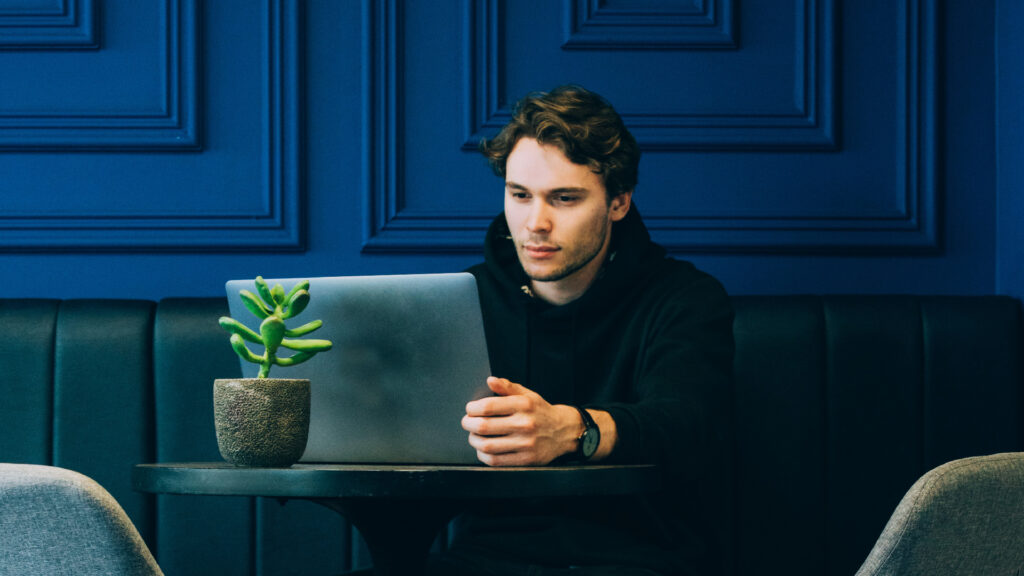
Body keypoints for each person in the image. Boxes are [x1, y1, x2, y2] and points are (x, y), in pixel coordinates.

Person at [429, 85, 737, 575]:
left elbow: (687, 424)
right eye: (519, 195)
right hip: (486, 559)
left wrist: (572, 429)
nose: (535, 223)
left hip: (644, 559)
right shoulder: (464, 299)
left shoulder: (683, 297)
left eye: (564, 199)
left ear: (618, 202)